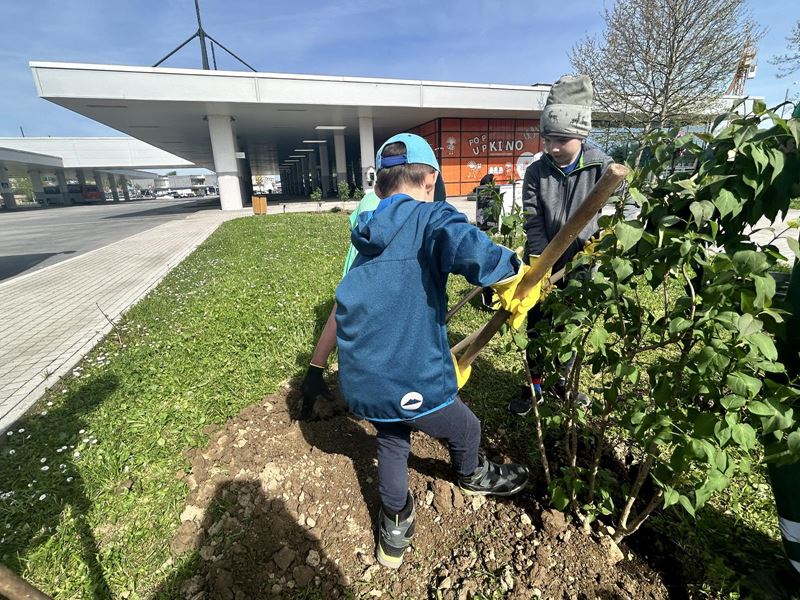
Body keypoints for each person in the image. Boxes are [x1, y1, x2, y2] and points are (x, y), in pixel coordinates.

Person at [335, 133, 534, 568]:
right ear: (431, 181)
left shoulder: (365, 233)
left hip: (364, 379)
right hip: (405, 376)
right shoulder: (430, 217)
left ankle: (394, 526)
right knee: (465, 427)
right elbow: (468, 246)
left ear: (380, 185)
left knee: (392, 439)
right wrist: (512, 275)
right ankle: (472, 475)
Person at [508, 74, 637, 416]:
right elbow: (533, 219)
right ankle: (533, 384)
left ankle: (563, 384)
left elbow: (631, 208)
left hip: (583, 264)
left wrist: (609, 241)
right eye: (546, 138)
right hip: (543, 260)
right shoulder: (537, 173)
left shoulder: (603, 168)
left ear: (580, 133)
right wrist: (540, 260)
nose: (551, 147)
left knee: (571, 325)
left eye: (560, 139)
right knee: (537, 323)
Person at [300, 177, 447, 419]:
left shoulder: (378, 202)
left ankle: (321, 375)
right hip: (376, 274)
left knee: (352, 308)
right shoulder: (390, 212)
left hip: (367, 269)